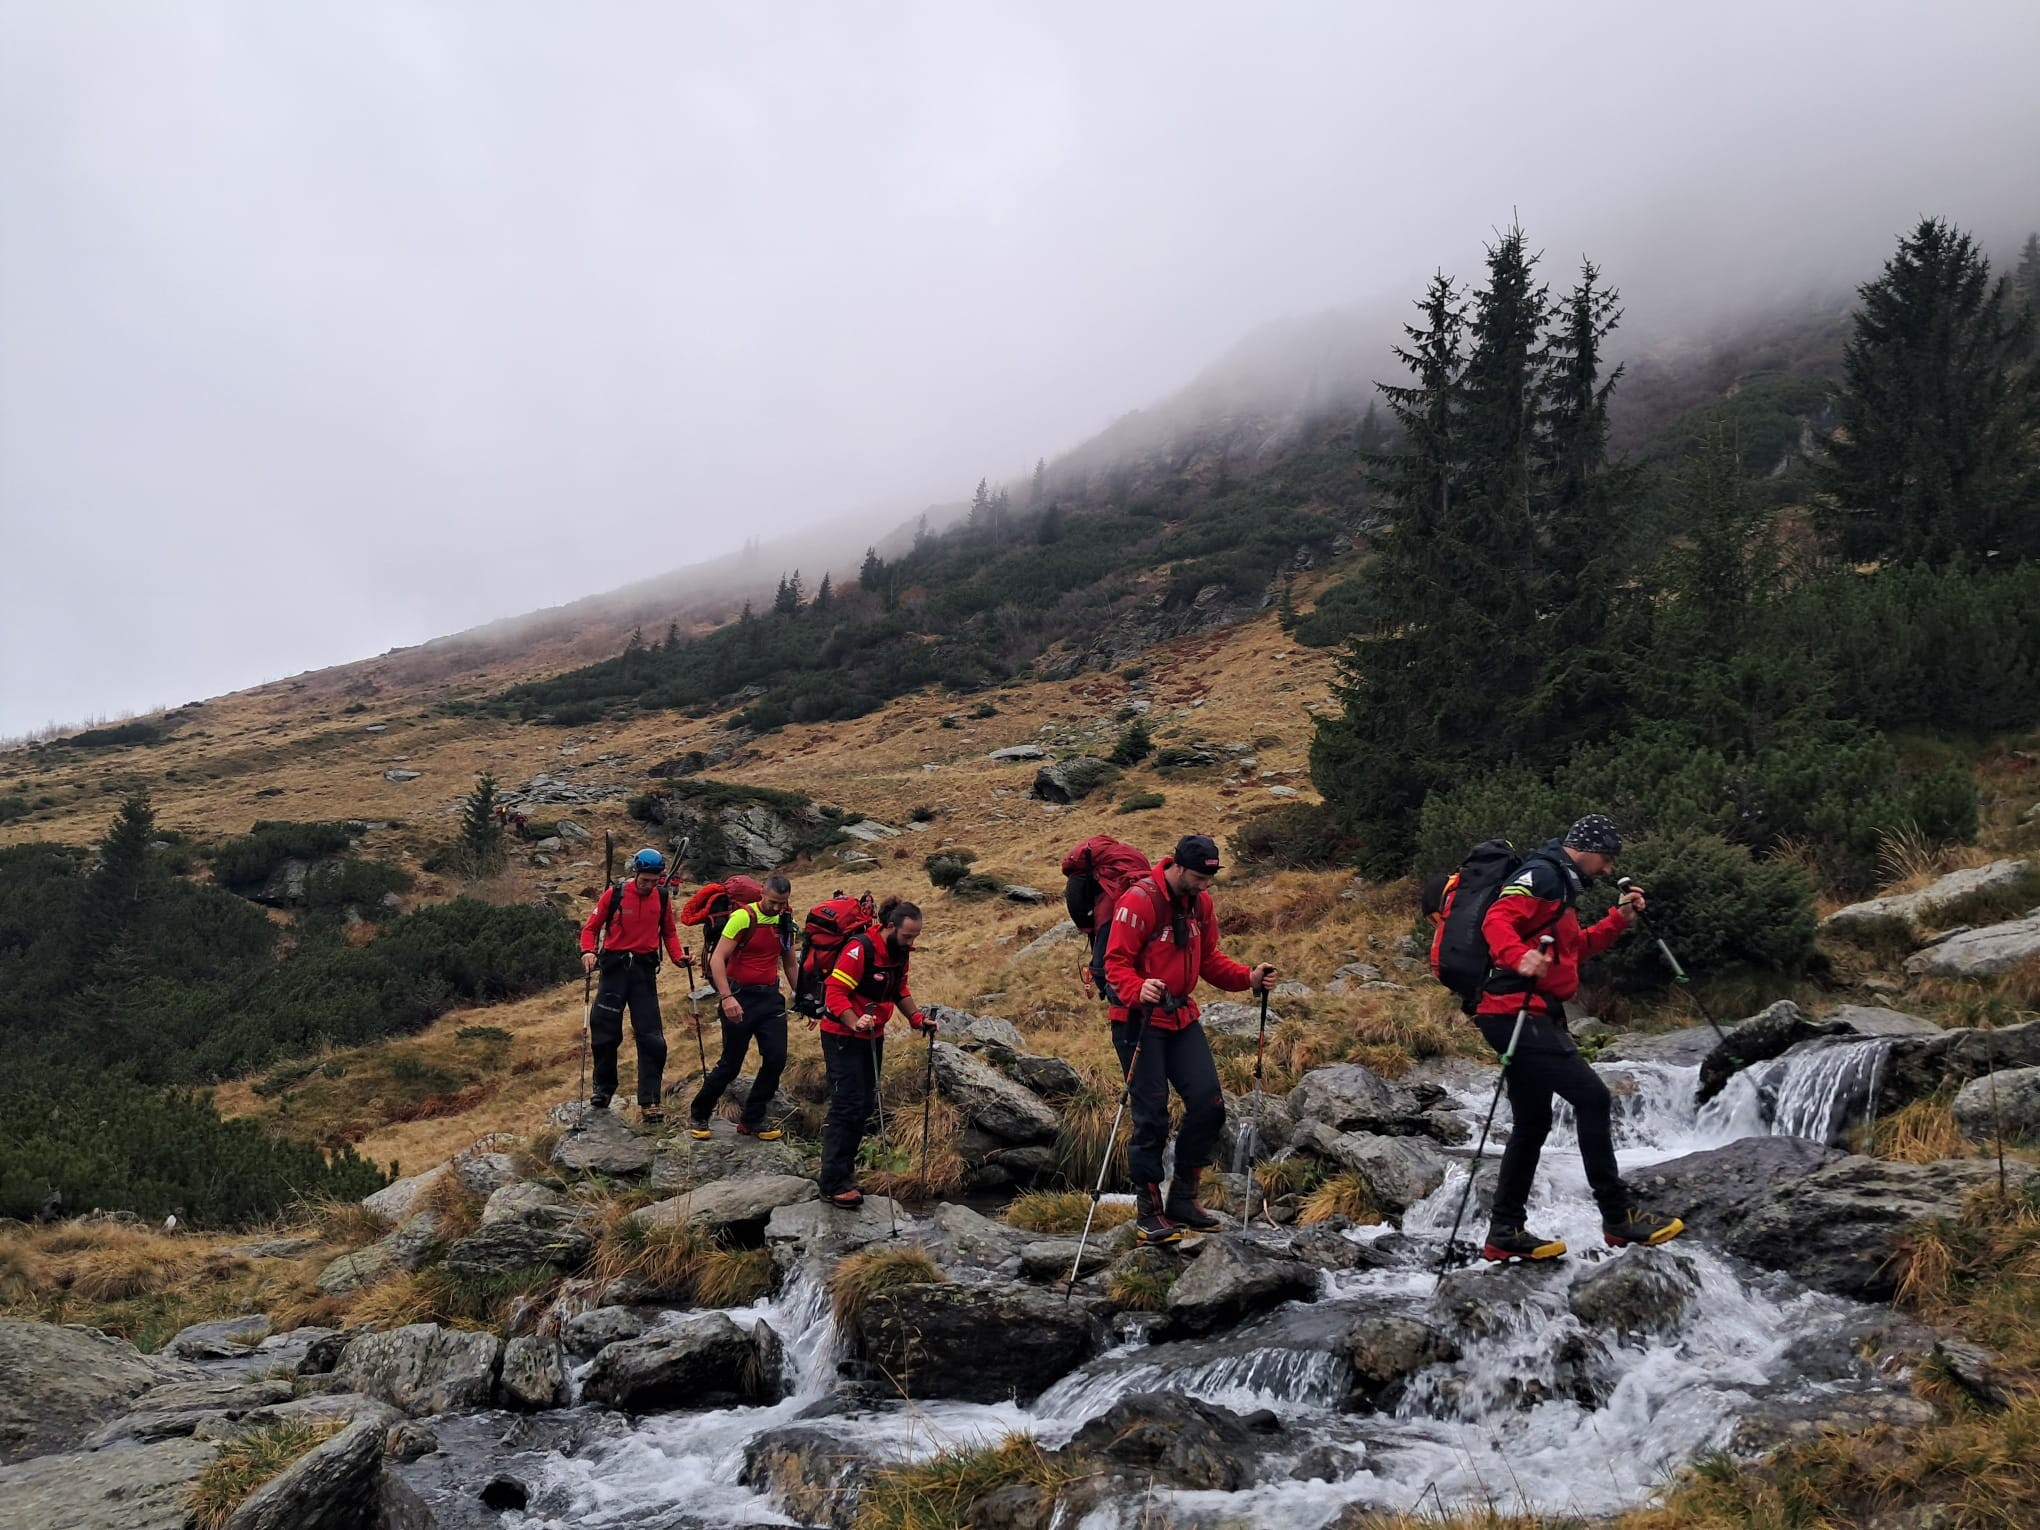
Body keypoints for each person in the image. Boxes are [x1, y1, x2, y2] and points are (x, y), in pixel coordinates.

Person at [1476, 814, 1685, 1260]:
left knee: (1533, 1122)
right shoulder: (1542, 874)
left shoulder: (1563, 889)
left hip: (1531, 1013)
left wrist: (1619, 919)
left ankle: (1505, 1232)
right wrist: (1518, 956)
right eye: (1606, 858)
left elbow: (1575, 950)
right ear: (1586, 849)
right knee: (1592, 1098)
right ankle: (1618, 1218)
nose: (1608, 868)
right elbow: (1496, 920)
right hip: (1516, 1012)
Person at [1103, 834, 1277, 1245]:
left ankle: (1182, 1199)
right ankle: (1148, 1214)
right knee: (1152, 1116)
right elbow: (1115, 963)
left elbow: (1209, 959)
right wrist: (1138, 988)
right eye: (1199, 877)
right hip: (1138, 1021)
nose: (1205, 885)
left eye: (1209, 878)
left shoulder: (1201, 904)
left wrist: (1248, 978)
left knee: (1209, 1104)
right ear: (1177, 867)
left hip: (1181, 1017)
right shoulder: (1139, 901)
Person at [816, 896, 939, 1208]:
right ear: (889, 926)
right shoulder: (860, 949)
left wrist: (916, 1018)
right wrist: (854, 1021)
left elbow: (899, 990)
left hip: (873, 1035)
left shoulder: (899, 953)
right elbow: (834, 991)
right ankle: (832, 1183)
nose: (911, 943)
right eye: (907, 936)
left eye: (915, 936)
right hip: (842, 1036)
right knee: (846, 1106)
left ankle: (846, 1176)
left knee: (863, 1104)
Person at [689, 873, 797, 1141]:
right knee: (731, 1064)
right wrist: (727, 997)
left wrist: (804, 998)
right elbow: (717, 959)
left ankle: (752, 1120)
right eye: (772, 902)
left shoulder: (785, 921)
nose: (776, 907)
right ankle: (700, 1113)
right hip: (740, 997)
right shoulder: (743, 917)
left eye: (782, 903)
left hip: (770, 999)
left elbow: (790, 963)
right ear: (763, 894)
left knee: (776, 1059)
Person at [578, 847, 682, 1123]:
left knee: (652, 1038)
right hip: (614, 970)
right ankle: (603, 1089)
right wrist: (587, 951)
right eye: (645, 880)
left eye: (655, 880)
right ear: (635, 873)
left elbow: (669, 932)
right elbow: (591, 928)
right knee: (605, 1033)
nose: (649, 885)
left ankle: (650, 1101)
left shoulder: (662, 897)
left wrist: (679, 958)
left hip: (643, 973)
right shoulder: (615, 894)